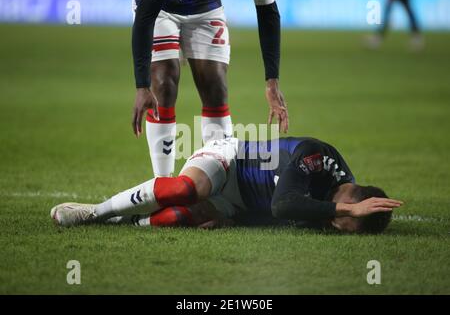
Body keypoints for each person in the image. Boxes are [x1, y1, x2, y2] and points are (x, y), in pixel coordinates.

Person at [50, 137, 403, 233]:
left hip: (240, 204)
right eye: (344, 222)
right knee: (185, 191)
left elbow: (274, 216)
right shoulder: (318, 157)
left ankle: (124, 222)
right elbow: (283, 204)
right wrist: (344, 211)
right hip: (230, 161)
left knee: (177, 219)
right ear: (352, 196)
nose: (335, 225)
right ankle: (94, 213)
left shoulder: (330, 211)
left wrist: (235, 219)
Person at [132, 0, 289, 177]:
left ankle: (220, 183)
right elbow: (145, 17)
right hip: (161, 10)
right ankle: (163, 182)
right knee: (163, 83)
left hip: (205, 8)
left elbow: (267, 11)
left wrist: (272, 83)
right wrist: (142, 86)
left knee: (216, 88)